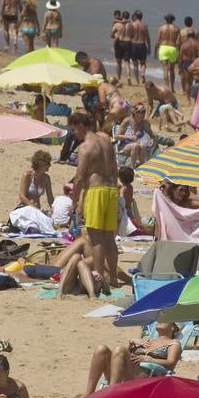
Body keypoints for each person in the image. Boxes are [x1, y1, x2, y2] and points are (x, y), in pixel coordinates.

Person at [69, 111, 120, 289]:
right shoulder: (106, 142)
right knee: (109, 238)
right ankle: (113, 278)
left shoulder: (85, 147)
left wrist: (75, 201)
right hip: (111, 190)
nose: (74, 133)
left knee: (96, 238)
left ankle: (99, 278)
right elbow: (115, 169)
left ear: (81, 126)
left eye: (74, 129)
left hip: (96, 191)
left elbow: (79, 178)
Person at [84, 321, 181, 394]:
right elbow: (119, 356)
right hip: (122, 374)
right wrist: (130, 345)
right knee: (101, 350)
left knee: (120, 349)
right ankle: (88, 394)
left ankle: (111, 392)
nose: (160, 320)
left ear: (173, 327)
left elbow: (171, 364)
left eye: (165, 319)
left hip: (144, 378)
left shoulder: (173, 344)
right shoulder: (147, 341)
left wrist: (150, 359)